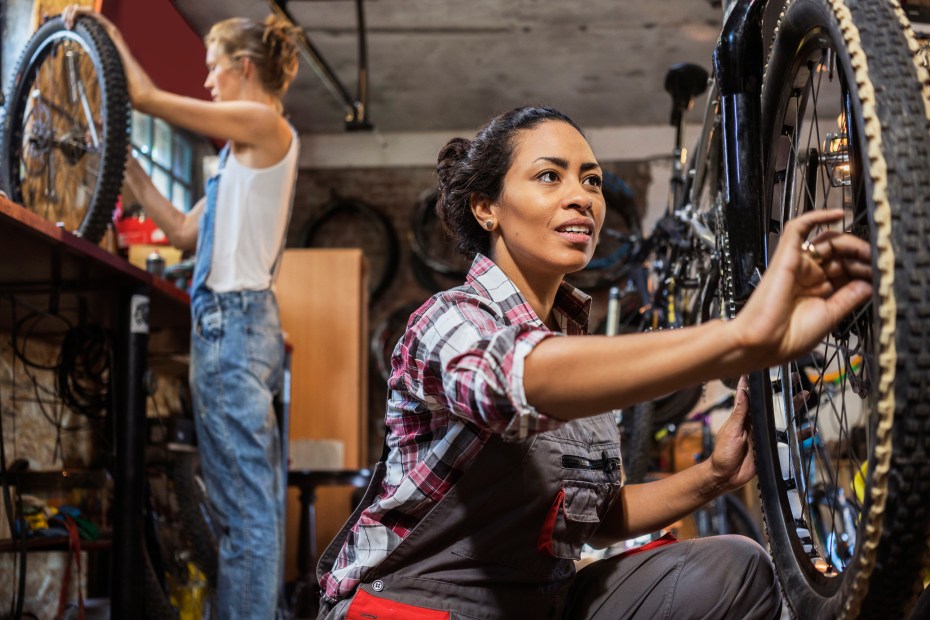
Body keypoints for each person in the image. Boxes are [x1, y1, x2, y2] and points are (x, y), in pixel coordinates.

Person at [316, 106, 872, 619]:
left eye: (591, 180)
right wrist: (743, 336)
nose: (582, 196)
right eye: (549, 176)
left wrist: (716, 476)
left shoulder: (573, 343)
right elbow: (514, 383)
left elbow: (598, 520)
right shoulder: (447, 320)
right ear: (487, 208)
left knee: (734, 566)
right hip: (419, 604)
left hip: (539, 602)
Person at [63, 6, 302, 618]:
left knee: (244, 517)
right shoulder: (239, 157)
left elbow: (142, 94)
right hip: (236, 327)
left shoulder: (261, 123)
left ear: (245, 67)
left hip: (234, 324)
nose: (207, 80)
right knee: (242, 511)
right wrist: (118, 157)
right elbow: (180, 230)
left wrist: (103, 31)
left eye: (213, 66)